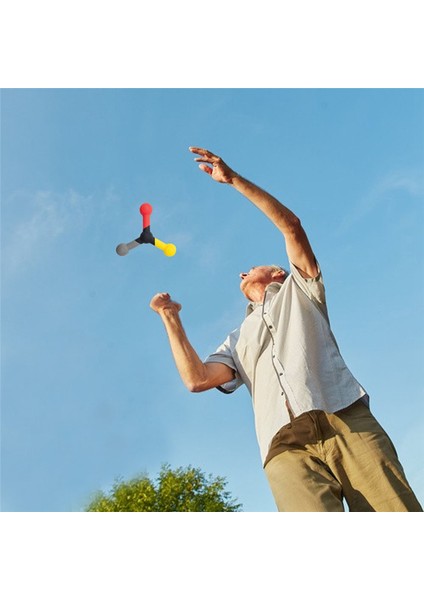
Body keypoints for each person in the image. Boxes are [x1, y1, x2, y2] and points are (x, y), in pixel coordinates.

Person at [150, 147, 422, 512]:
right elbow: (197, 379)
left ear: (278, 272)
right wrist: (170, 317)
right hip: (284, 449)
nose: (241, 273)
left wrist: (233, 180)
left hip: (343, 419)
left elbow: (291, 225)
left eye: (250, 267)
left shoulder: (301, 289)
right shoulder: (236, 340)